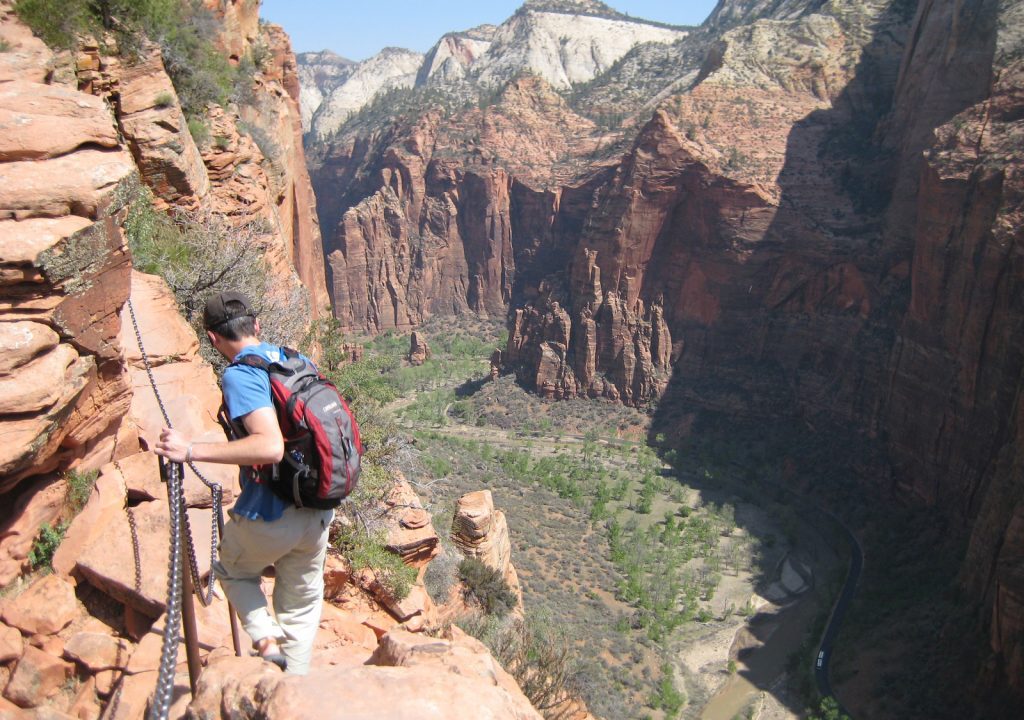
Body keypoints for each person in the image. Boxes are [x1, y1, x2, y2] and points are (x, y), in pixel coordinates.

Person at [153, 291, 332, 675]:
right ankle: (293, 689)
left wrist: (190, 451)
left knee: (232, 571)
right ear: (257, 326)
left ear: (213, 339)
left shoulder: (240, 374)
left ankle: (267, 647)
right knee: (300, 608)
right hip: (318, 509)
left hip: (272, 512)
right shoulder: (295, 358)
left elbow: (269, 447)